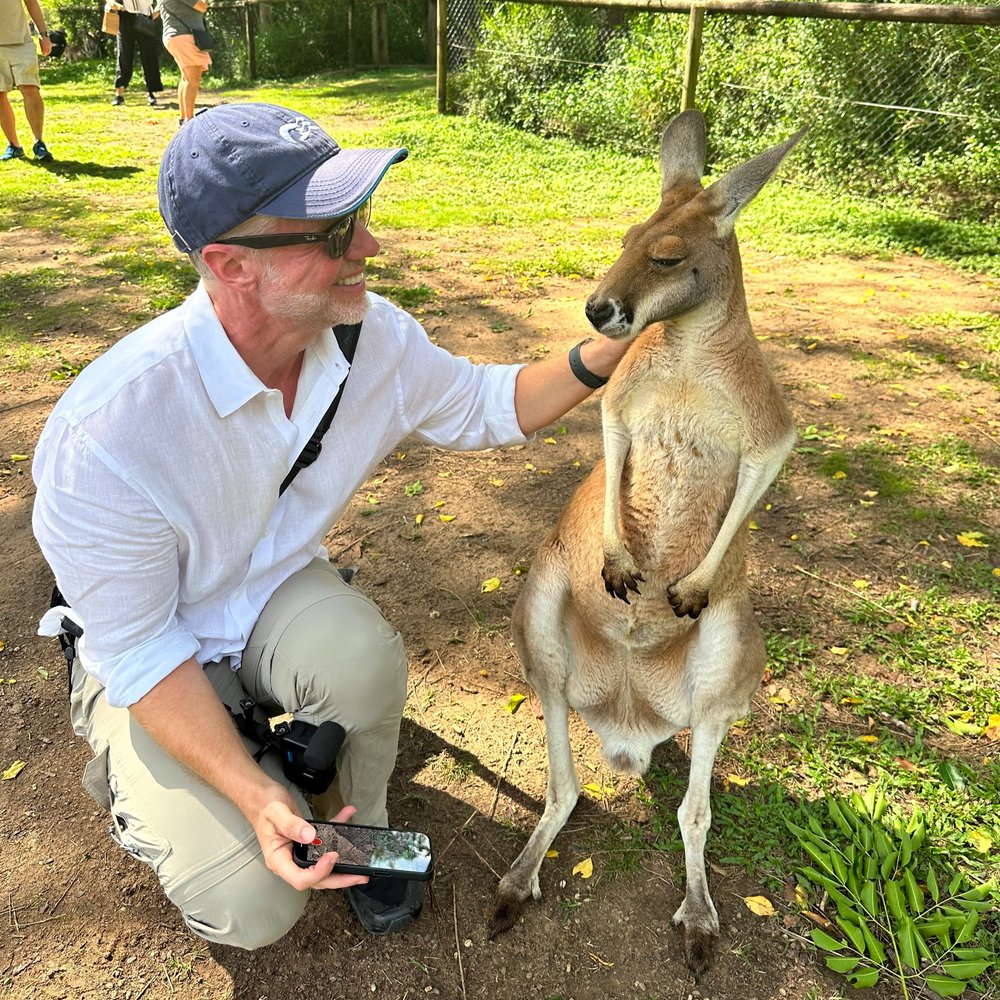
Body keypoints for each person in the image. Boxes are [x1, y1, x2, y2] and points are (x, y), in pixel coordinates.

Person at [32, 102, 629, 949]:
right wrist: (253, 792)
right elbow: (138, 648)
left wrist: (600, 356)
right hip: (153, 646)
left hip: (268, 593)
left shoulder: (366, 337)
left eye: (360, 218)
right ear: (229, 266)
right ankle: (149, 786)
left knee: (361, 659)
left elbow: (485, 403)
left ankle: (366, 825)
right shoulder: (111, 434)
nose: (369, 248)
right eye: (331, 231)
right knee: (250, 906)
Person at [0, 0, 53, 161]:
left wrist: (43, 35)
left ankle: (39, 143)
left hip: (21, 41)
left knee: (30, 88)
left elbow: (31, 2)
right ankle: (14, 146)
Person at [157, 0, 210, 126]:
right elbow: (202, 7)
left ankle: (184, 118)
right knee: (193, 79)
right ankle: (189, 122)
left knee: (186, 77)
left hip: (174, 36)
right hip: (184, 36)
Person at [108, 0, 163, 107]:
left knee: (149, 56)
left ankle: (151, 93)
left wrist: (156, 12)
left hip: (145, 17)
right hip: (125, 18)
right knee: (124, 55)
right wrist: (111, 3)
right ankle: (119, 94)